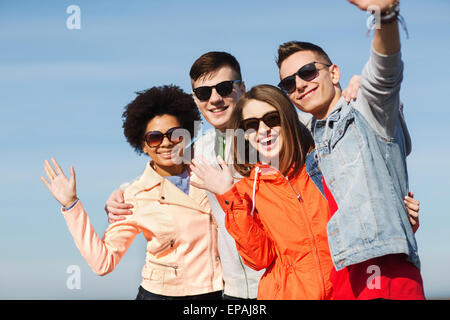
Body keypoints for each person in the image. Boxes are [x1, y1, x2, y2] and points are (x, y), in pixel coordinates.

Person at [105, 51, 420, 299]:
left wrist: (352, 92)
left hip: (313, 285)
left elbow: (360, 153)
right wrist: (119, 196)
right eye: (203, 93)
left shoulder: (296, 135)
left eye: (225, 88)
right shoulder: (195, 153)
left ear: (241, 88)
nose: (215, 98)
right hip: (236, 292)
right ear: (196, 100)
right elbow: (159, 172)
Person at [275, 0, 425, 299]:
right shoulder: (309, 139)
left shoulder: (368, 113)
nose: (300, 85)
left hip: (383, 269)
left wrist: (385, 14)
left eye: (307, 72)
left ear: (333, 73)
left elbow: (385, 72)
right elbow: (257, 125)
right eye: (289, 83)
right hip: (341, 274)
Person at [41, 85, 223, 300]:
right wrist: (72, 206)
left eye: (174, 134)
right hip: (162, 295)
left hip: (218, 292)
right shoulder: (134, 196)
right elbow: (103, 263)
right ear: (144, 146)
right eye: (154, 138)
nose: (165, 143)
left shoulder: (210, 170)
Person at [190, 84, 334, 299]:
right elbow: (258, 258)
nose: (263, 129)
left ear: (288, 119)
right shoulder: (248, 190)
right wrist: (228, 194)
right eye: (251, 125)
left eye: (272, 119)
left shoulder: (324, 168)